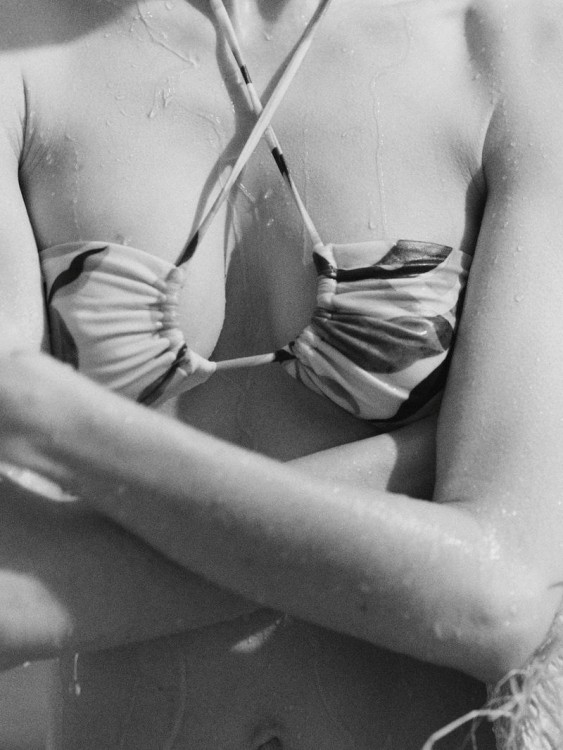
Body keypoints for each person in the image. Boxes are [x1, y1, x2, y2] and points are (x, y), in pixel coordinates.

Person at [0, 0, 562, 747]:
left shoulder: (517, 54)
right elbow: (9, 597)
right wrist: (415, 477)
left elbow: (498, 605)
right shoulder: (20, 56)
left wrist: (58, 422)